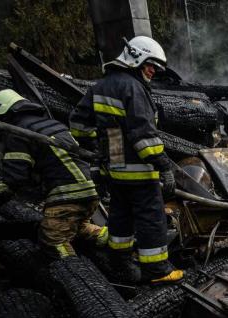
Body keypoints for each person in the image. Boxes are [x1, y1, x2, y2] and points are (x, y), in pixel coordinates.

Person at [69, 36, 183, 284]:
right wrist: (164, 166)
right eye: (151, 65)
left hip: (116, 168)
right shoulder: (132, 87)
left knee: (120, 216)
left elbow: (78, 125)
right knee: (151, 218)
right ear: (136, 58)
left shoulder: (100, 86)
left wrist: (103, 146)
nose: (153, 71)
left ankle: (120, 263)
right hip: (141, 171)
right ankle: (157, 271)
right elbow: (143, 135)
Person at [0, 89, 106, 259]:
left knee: (52, 240)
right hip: (90, 192)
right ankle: (116, 244)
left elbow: (15, 177)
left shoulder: (17, 132)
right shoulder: (54, 125)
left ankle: (71, 270)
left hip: (67, 197)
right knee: (77, 227)